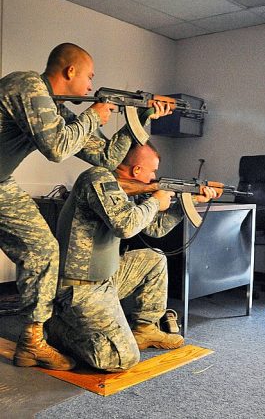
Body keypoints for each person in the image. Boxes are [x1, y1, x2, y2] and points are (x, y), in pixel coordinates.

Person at [0, 42, 170, 370]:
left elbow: (106, 157)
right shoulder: (27, 86)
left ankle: (33, 341)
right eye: (90, 77)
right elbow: (57, 148)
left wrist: (142, 117)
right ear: (70, 71)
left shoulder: (55, 109)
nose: (91, 86)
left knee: (43, 251)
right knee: (44, 251)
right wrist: (93, 115)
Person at [45, 142, 219, 372]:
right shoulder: (97, 178)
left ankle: (145, 329)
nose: (155, 176)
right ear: (136, 171)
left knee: (154, 258)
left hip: (106, 279)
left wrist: (188, 204)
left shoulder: (123, 191)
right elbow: (125, 226)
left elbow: (154, 228)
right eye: (153, 171)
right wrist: (156, 200)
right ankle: (58, 329)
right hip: (78, 288)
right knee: (121, 358)